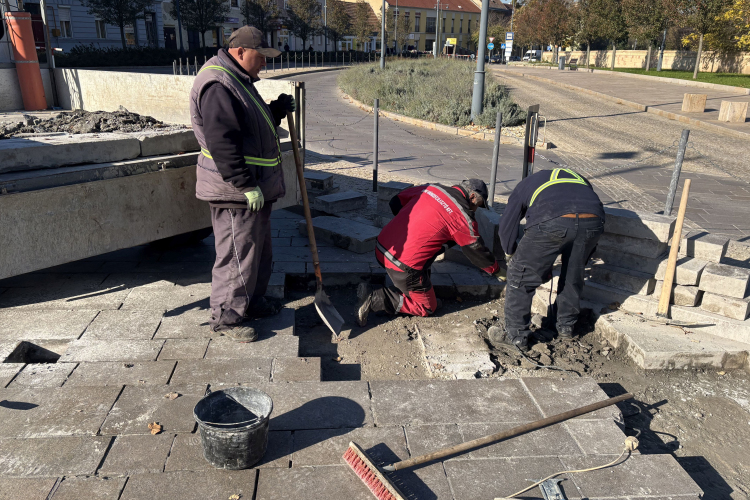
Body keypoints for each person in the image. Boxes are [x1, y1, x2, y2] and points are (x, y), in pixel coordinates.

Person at [189, 26, 296, 342]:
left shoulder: (237, 79)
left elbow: (248, 126)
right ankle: (226, 318)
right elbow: (223, 142)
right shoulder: (219, 85)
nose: (264, 62)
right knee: (236, 256)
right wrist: (244, 184)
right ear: (240, 52)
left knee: (257, 252)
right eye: (260, 56)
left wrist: (274, 110)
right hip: (237, 191)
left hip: (254, 188)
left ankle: (252, 302)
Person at [356, 180, 504, 325]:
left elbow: (395, 201)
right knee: (427, 307)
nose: (475, 210)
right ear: (471, 197)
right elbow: (475, 250)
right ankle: (376, 297)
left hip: (381, 247)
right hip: (402, 266)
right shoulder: (462, 217)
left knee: (429, 249)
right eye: (476, 206)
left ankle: (410, 288)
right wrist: (496, 270)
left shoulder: (432, 188)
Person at [490, 168, 605, 352]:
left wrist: (510, 255)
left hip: (551, 217)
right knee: (573, 275)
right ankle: (565, 326)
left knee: (520, 277)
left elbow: (507, 227)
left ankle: (516, 336)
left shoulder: (523, 186)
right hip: (593, 220)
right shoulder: (579, 179)